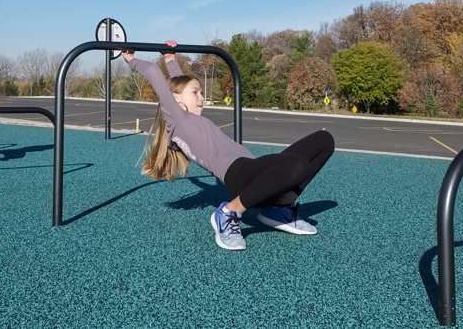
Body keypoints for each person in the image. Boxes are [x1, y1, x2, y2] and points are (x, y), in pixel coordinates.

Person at [122, 41, 335, 251]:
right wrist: (132, 60)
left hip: (254, 172)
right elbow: (153, 73)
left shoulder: (185, 117)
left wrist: (170, 58)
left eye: (201, 92)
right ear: (176, 100)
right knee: (297, 165)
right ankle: (229, 213)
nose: (202, 97)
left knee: (324, 142)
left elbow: (178, 84)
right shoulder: (177, 121)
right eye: (196, 93)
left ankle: (277, 210)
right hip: (239, 175)